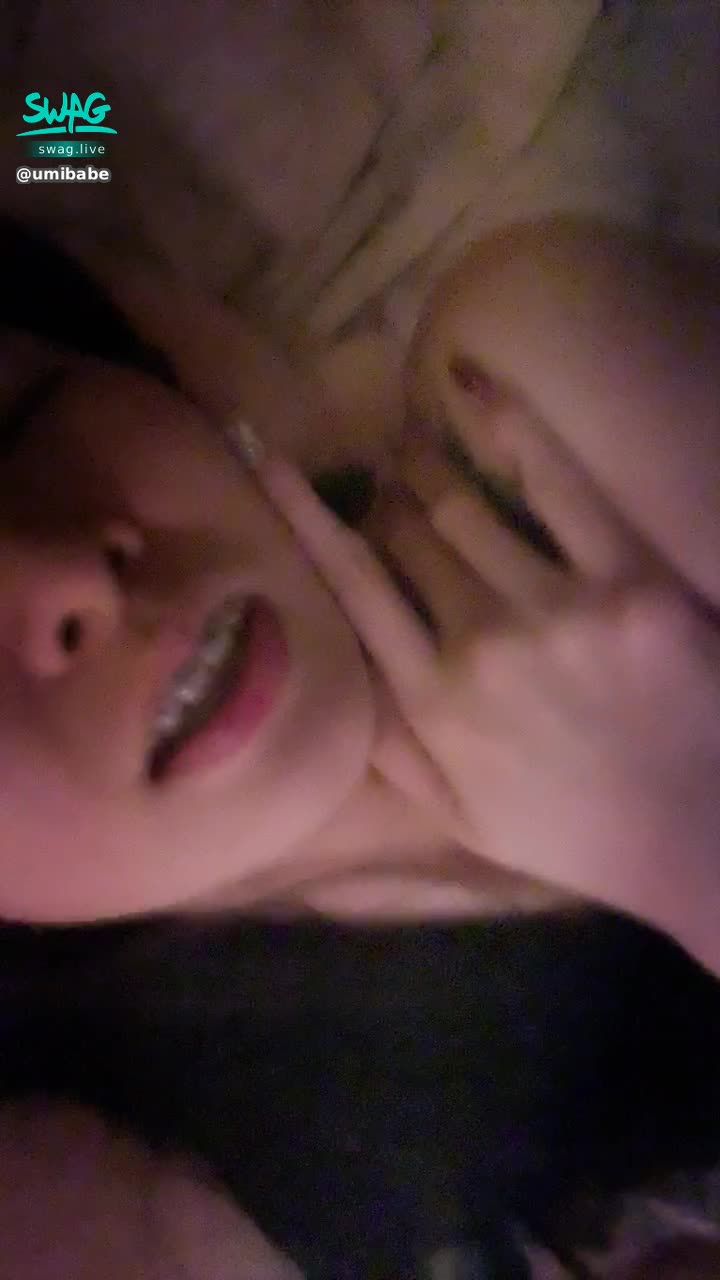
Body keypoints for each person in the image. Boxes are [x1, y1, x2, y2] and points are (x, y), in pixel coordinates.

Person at [1, 212, 720, 1277]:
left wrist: (48, 139)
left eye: (17, 424)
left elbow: (70, 153)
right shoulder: (183, 1215)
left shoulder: (543, 415)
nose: (69, 582)